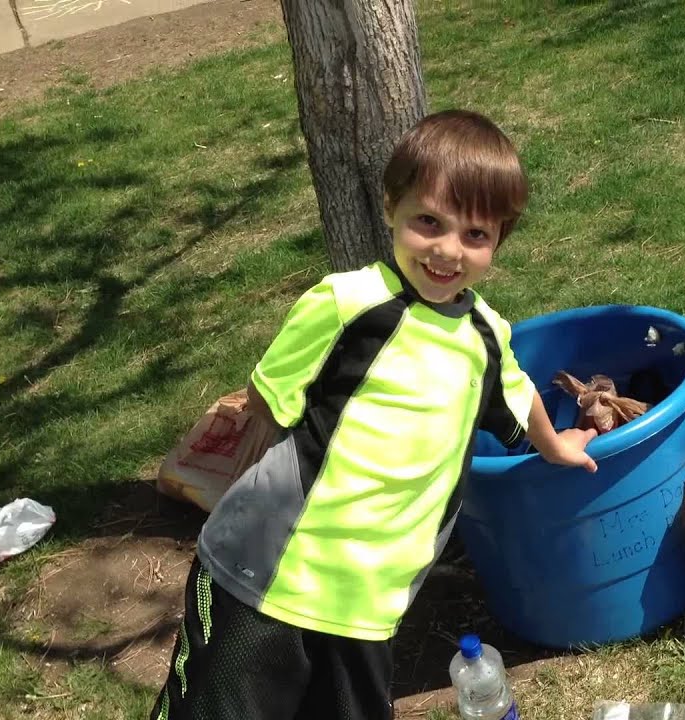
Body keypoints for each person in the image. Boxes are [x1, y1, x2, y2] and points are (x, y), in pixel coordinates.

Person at [150, 109, 598, 720]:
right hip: (265, 580)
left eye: (475, 235)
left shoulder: (486, 337)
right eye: (428, 222)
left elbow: (521, 399)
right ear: (391, 208)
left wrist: (555, 447)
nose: (447, 250)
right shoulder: (346, 304)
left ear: (499, 240)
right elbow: (265, 402)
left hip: (369, 605)